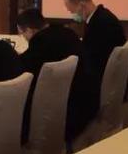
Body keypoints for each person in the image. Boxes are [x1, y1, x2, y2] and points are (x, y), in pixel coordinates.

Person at [16, 8, 100, 142]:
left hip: (70, 112)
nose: (24, 38)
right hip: (87, 99)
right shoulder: (66, 32)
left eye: (22, 33)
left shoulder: (41, 41)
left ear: (30, 30)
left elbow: (24, 67)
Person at [64, 0, 126, 77]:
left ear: (81, 6)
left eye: (72, 11)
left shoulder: (100, 23)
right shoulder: (102, 15)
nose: (73, 15)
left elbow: (90, 57)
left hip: (100, 75)